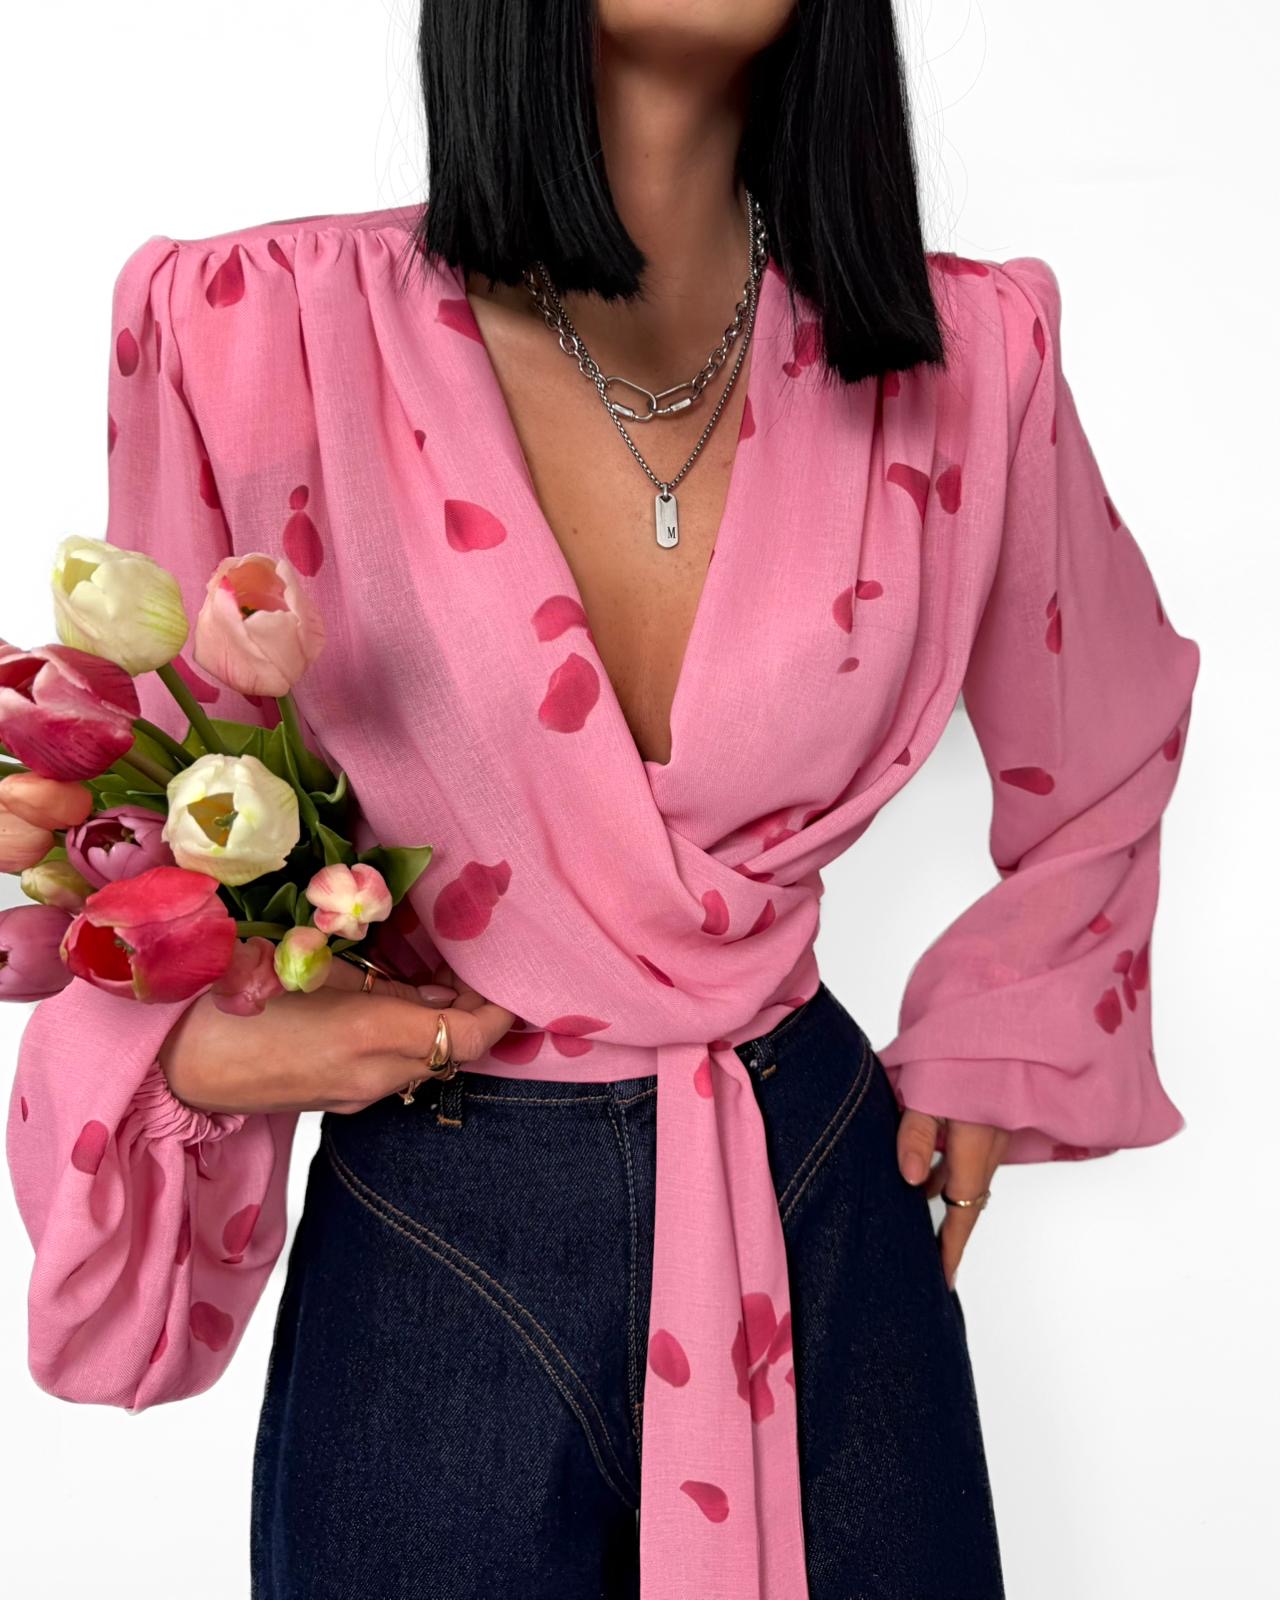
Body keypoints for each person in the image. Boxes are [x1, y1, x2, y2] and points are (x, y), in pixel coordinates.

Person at [5, 2, 1201, 1597]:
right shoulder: (258, 330)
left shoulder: (969, 356)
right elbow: (160, 833)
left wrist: (1004, 1030)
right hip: (440, 1221)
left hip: (817, 1201)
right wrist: (196, 1051)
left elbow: (1109, 738)